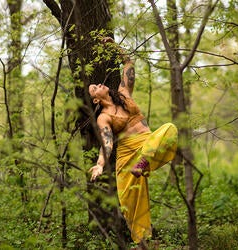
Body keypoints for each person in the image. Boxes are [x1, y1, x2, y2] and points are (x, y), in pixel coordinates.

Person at [88, 37, 178, 246]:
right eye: (95, 87)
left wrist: (114, 46)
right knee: (133, 202)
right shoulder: (103, 116)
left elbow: (128, 64)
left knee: (170, 129)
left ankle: (144, 163)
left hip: (147, 145)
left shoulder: (124, 93)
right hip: (127, 157)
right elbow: (107, 142)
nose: (99, 84)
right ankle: (143, 243)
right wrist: (100, 165)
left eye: (98, 83)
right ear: (95, 99)